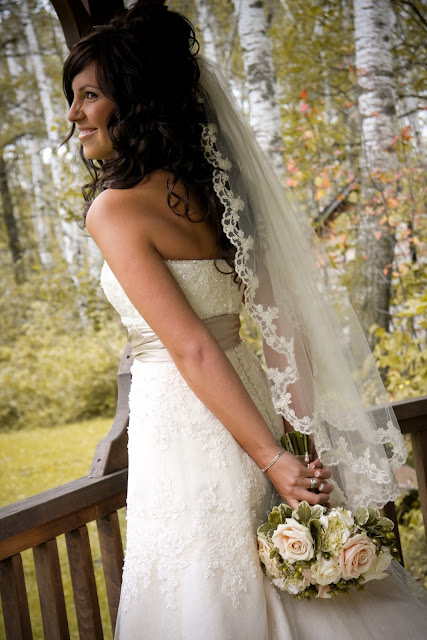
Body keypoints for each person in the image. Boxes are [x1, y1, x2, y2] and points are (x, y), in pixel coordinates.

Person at [63, 1, 427, 638]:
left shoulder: (114, 209)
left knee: (205, 578)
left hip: (184, 417)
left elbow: (192, 349)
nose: (74, 115)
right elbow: (284, 326)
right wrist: (295, 439)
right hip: (253, 393)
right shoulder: (217, 191)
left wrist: (270, 460)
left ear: (134, 97)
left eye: (89, 96)